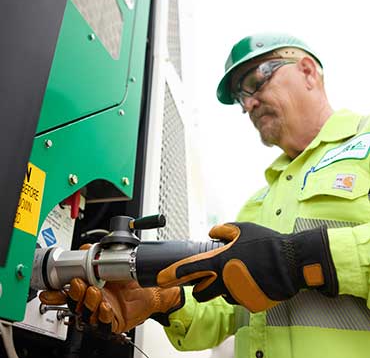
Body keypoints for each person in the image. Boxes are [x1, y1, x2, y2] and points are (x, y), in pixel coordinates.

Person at [40, 32, 370, 358]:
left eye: (254, 82)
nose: (248, 105)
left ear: (308, 71)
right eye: (241, 97)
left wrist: (301, 259)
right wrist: (164, 301)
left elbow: (289, 260)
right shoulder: (259, 203)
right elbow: (227, 314)